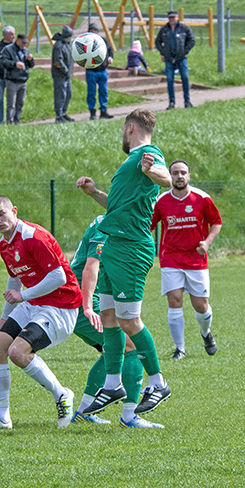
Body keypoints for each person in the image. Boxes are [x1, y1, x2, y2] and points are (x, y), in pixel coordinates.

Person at [77, 109, 172, 419]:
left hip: (132, 249)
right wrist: (94, 193)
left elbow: (166, 178)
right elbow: (116, 208)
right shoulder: (130, 164)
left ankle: (158, 383)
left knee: (130, 321)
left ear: (130, 127)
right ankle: (113, 384)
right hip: (115, 245)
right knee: (108, 317)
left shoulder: (147, 153)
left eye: (122, 129)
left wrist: (152, 171)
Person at [0, 195, 80, 429]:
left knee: (18, 352)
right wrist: (5, 316)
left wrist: (23, 296)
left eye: (2, 214)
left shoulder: (34, 237)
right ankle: (2, 418)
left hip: (60, 305)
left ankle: (62, 394)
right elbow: (15, 279)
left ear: (14, 210)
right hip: (34, 304)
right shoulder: (5, 244)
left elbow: (59, 277)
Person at [70, 213, 163, 429]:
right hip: (82, 302)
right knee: (132, 346)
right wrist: (88, 307)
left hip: (76, 302)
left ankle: (84, 411)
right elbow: (90, 267)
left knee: (110, 352)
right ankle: (130, 415)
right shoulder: (109, 226)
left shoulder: (108, 219)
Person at [151, 160, 222, 361]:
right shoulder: (162, 201)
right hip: (170, 258)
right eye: (175, 173)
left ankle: (206, 333)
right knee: (174, 300)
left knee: (201, 305)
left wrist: (207, 243)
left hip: (196, 259)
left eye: (183, 172)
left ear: (189, 175)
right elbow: (149, 226)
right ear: (170, 177)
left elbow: (216, 222)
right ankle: (179, 349)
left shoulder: (202, 199)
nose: (179, 176)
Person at [155, 11, 195, 109]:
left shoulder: (184, 28)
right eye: (170, 18)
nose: (172, 19)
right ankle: (171, 103)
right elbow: (157, 42)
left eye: (173, 17)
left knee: (185, 78)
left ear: (177, 17)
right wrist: (163, 52)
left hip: (181, 58)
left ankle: (187, 101)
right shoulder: (164, 29)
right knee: (169, 80)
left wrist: (185, 51)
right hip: (169, 59)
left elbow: (192, 40)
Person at [0, 34, 34, 125]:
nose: (24, 45)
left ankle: (16, 120)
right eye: (23, 43)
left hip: (23, 80)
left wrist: (30, 60)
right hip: (12, 80)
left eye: (26, 43)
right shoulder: (8, 49)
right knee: (11, 104)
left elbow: (31, 65)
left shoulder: (25, 50)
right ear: (17, 40)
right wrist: (15, 64)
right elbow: (3, 62)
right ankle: (9, 122)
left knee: (20, 103)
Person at [85, 23, 114, 120]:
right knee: (91, 93)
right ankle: (92, 112)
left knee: (104, 92)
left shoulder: (103, 40)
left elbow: (110, 49)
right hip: (91, 71)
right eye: (91, 30)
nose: (93, 32)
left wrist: (110, 57)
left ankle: (103, 111)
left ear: (97, 32)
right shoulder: (85, 42)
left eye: (94, 30)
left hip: (102, 71)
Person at [51, 25, 74, 123]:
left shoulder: (67, 44)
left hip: (67, 76)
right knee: (60, 95)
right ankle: (59, 116)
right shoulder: (59, 45)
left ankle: (64, 113)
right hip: (60, 75)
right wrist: (65, 70)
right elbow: (58, 61)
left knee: (68, 94)